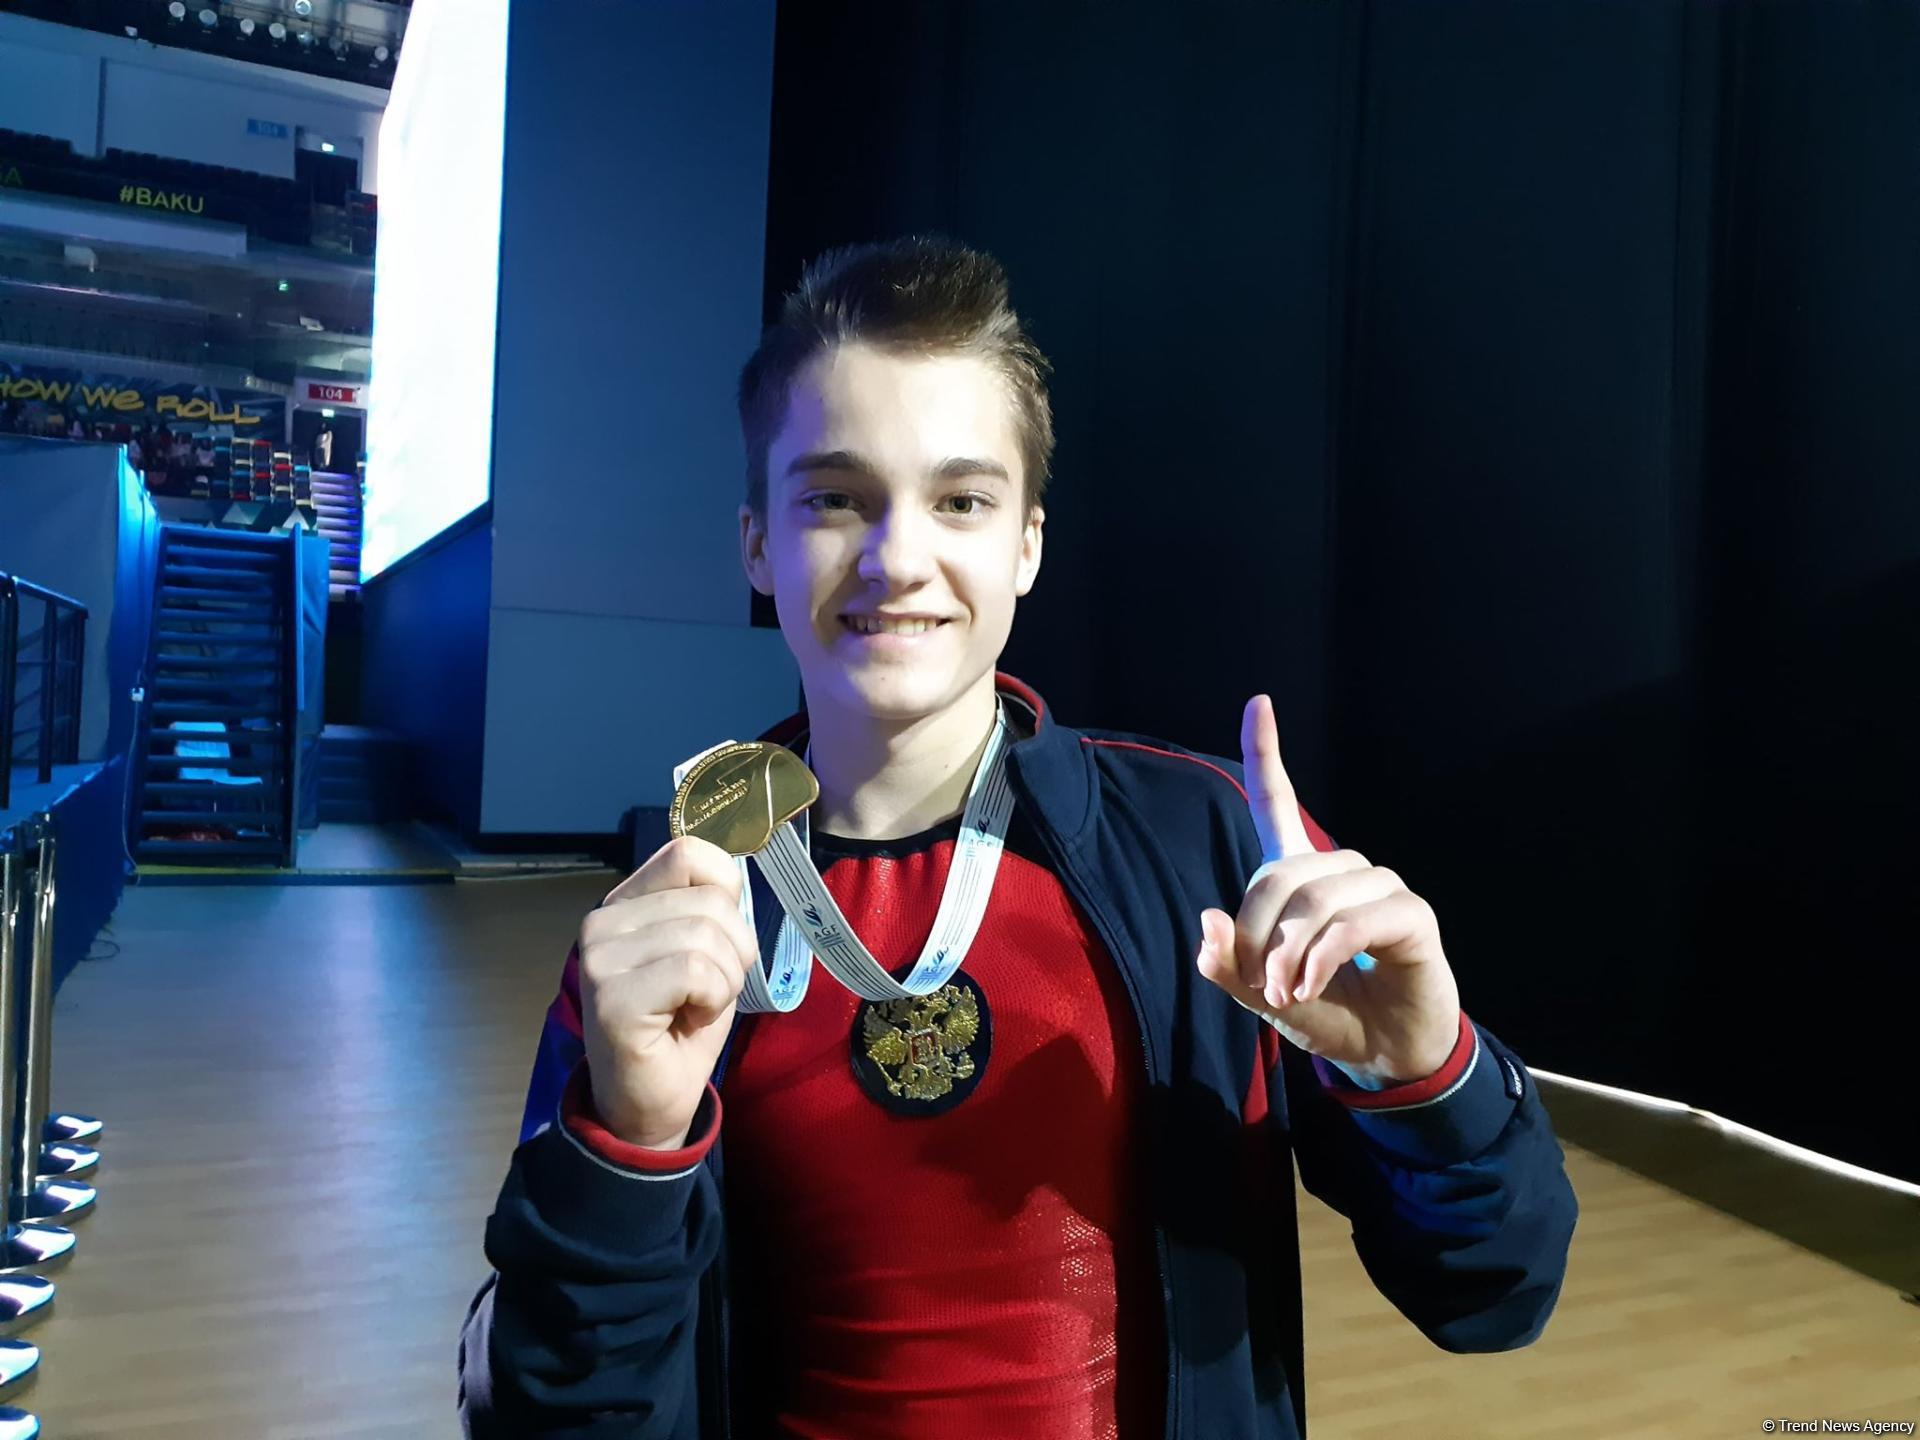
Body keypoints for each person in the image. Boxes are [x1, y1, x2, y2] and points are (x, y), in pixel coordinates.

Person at [459, 236, 1579, 1440]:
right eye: (834, 497)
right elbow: (550, 1411)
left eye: (961, 501)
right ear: (757, 545)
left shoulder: (1210, 847)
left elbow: (1494, 1293)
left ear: (1027, 544)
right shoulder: (672, 922)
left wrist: (1424, 1074)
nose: (898, 558)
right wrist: (624, 1152)